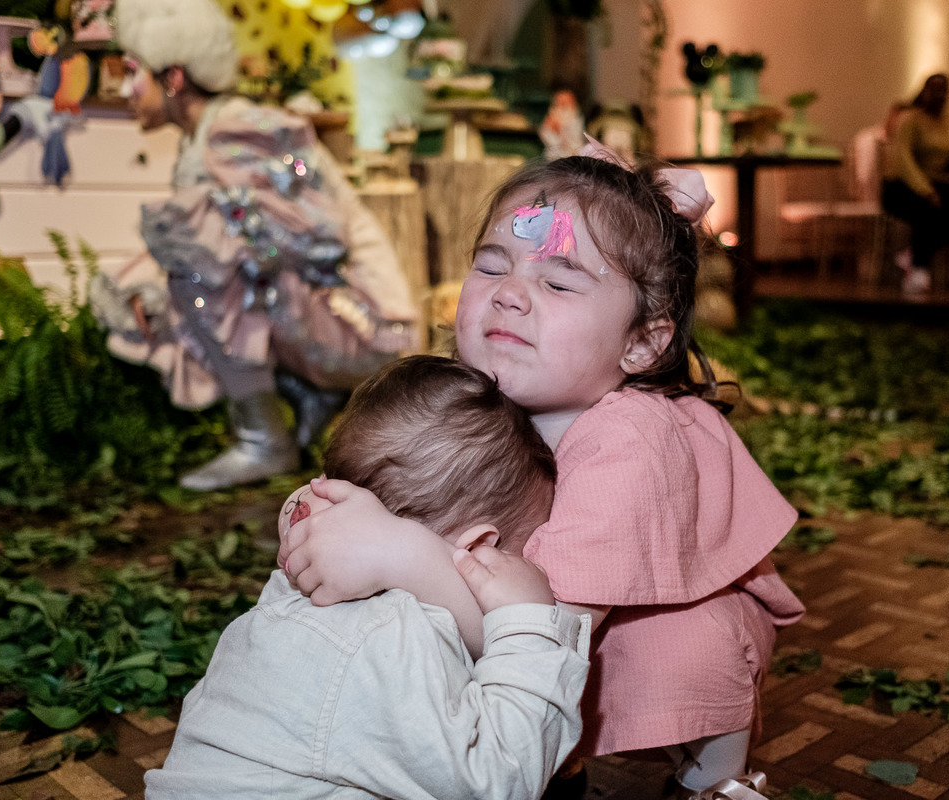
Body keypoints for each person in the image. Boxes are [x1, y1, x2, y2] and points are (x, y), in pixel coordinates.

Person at [279, 139, 803, 800]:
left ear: (643, 343)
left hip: (643, 621)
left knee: (680, 654)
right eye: (491, 266)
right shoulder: (482, 384)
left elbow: (549, 633)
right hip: (556, 598)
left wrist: (397, 556)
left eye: (557, 282)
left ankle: (714, 781)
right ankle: (547, 755)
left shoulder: (629, 446)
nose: (509, 295)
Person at [146, 354, 590, 800]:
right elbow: (502, 782)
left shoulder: (297, 590)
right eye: (520, 555)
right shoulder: (389, 640)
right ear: (479, 549)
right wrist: (528, 625)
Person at [91, 0, 419, 491]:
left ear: (173, 77)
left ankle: (264, 439)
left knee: (192, 275)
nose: (124, 89)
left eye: (132, 71)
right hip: (322, 309)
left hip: (366, 326)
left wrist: (180, 278)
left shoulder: (234, 131)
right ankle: (305, 394)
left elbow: (316, 244)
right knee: (171, 272)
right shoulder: (203, 136)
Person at [880, 73, 949, 295]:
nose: (940, 95)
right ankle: (919, 270)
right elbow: (903, 160)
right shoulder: (910, 121)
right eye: (935, 89)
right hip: (901, 184)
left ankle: (914, 253)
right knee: (928, 211)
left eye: (944, 90)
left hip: (936, 181)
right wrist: (926, 190)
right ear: (925, 92)